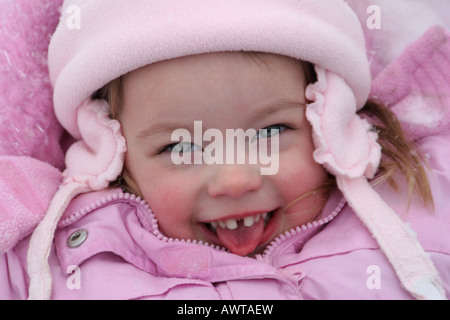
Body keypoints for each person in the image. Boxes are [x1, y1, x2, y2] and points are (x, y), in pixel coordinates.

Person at [1, 0, 449, 300]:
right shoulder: (66, 255)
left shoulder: (418, 196)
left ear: (329, 119)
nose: (236, 179)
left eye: (271, 131)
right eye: (181, 146)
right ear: (110, 151)